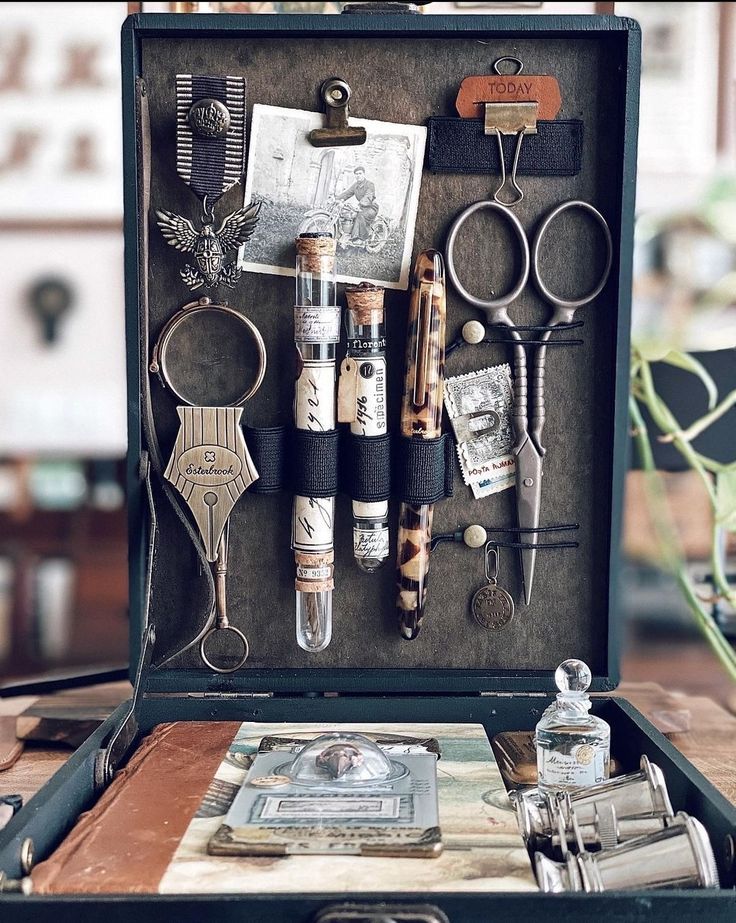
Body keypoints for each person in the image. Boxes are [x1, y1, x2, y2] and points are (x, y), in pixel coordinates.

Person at [335, 166, 379, 249]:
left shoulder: (370, 184)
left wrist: (359, 204)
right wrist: (336, 199)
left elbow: (368, 196)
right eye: (356, 174)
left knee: (360, 215)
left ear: (364, 174)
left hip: (371, 208)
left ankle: (360, 239)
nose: (358, 175)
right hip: (361, 207)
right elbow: (347, 193)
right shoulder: (355, 185)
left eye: (360, 173)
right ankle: (345, 235)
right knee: (348, 214)